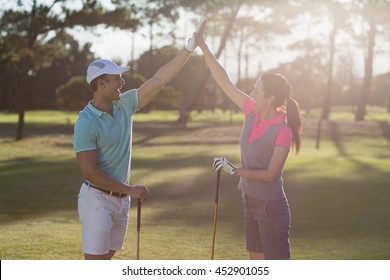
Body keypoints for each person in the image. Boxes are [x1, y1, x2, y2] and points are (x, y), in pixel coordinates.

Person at [73, 25, 199, 260]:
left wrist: (189, 48)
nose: (122, 81)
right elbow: (89, 171)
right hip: (97, 200)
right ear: (100, 84)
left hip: (121, 201)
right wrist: (130, 190)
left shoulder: (124, 104)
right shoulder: (86, 122)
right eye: (116, 78)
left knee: (107, 258)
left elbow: (159, 79)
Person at [196, 20, 302, 260]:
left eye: (256, 91)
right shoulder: (251, 112)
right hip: (250, 202)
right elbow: (224, 81)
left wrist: (234, 170)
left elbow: (271, 174)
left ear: (270, 97)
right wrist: (203, 46)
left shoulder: (283, 131)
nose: (251, 94)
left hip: (271, 208)